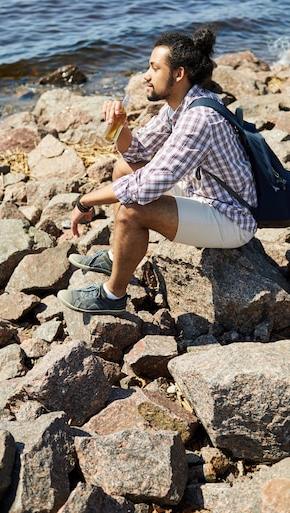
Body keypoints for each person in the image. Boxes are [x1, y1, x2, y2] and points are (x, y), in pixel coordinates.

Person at [57, 26, 257, 315]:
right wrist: (121, 126)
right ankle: (117, 256)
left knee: (132, 209)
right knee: (124, 168)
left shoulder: (200, 118)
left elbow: (147, 186)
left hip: (231, 217)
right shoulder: (180, 106)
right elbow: (137, 152)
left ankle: (112, 297)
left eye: (154, 68)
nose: (145, 76)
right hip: (200, 192)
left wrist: (85, 201)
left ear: (178, 74)